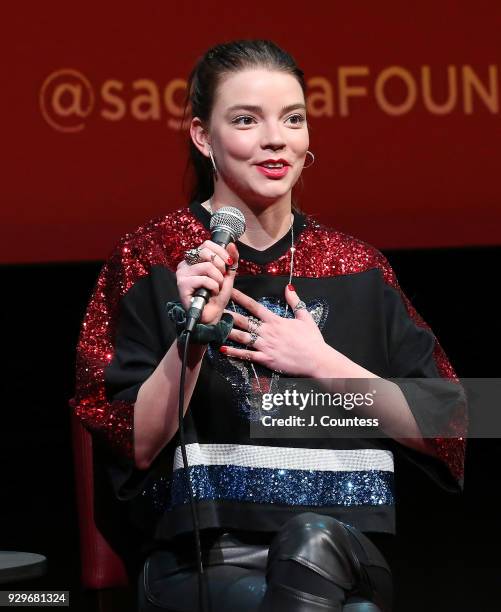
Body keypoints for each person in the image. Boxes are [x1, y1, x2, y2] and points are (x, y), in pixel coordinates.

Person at [70, 40, 466, 612]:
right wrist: (194, 336)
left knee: (313, 545)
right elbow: (134, 443)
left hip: (345, 550)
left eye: (293, 119)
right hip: (206, 564)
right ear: (203, 136)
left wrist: (323, 365)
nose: (275, 138)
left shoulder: (359, 268)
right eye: (246, 120)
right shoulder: (152, 260)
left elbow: (453, 423)